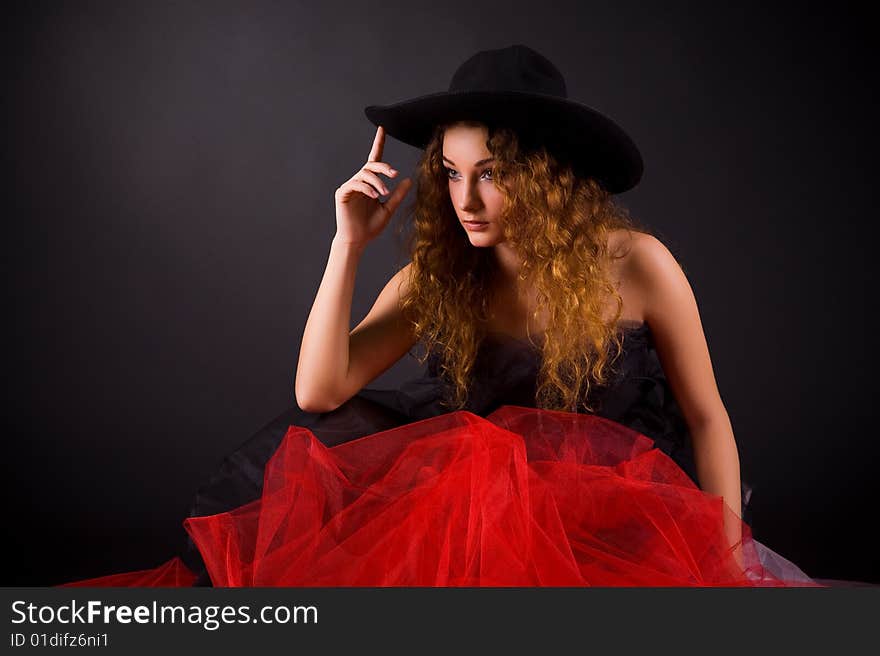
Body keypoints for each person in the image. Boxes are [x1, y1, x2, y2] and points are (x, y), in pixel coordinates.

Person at [61, 44, 821, 588]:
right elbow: (319, 391)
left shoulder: (639, 264)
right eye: (453, 174)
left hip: (625, 528)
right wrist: (347, 245)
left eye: (491, 176)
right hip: (487, 537)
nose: (465, 201)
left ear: (547, 177)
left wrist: (726, 565)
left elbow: (709, 417)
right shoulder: (441, 274)